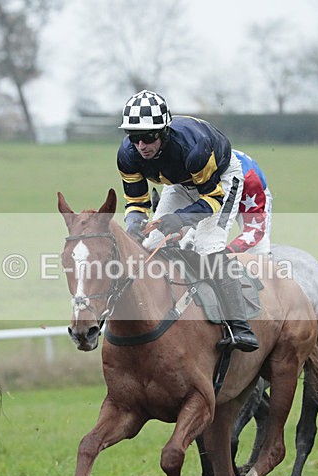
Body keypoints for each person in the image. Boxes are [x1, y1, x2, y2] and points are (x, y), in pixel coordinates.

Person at [117, 89, 258, 352]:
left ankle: (240, 326)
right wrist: (133, 227)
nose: (141, 146)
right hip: (181, 182)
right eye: (134, 137)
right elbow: (136, 203)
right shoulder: (127, 156)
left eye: (148, 137)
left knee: (207, 244)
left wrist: (181, 219)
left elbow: (212, 199)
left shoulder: (193, 148)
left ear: (164, 132)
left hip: (221, 181)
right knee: (150, 242)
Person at [179, 149, 273, 255]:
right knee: (189, 239)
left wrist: (228, 251)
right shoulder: (199, 171)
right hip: (216, 190)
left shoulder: (250, 180)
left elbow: (255, 230)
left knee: (260, 250)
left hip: (250, 193)